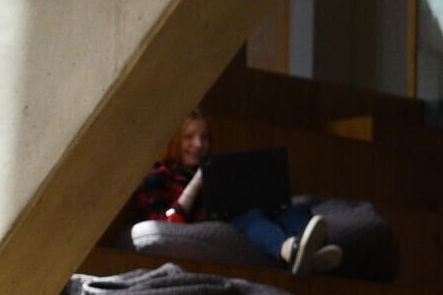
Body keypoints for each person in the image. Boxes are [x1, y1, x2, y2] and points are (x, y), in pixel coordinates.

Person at [132, 116, 341, 274]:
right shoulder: (159, 174)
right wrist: (197, 182)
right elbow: (166, 223)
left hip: (238, 210)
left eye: (204, 137)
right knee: (250, 217)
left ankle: (313, 253)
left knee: (295, 210)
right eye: (189, 137)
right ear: (175, 140)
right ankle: (291, 251)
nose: (198, 144)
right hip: (223, 220)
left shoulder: (216, 171)